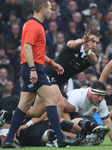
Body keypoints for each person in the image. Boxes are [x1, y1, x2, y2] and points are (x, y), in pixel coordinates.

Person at [1, 0, 81, 148]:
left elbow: (36, 52)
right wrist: (33, 70)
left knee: (23, 106)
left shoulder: (33, 25)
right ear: (42, 10)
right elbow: (26, 48)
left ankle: (8, 140)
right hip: (34, 69)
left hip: (32, 67)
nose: (52, 11)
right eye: (50, 9)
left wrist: (52, 63)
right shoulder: (34, 26)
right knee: (52, 100)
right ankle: (60, 138)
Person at [66, 81, 112, 145]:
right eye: (98, 95)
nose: (100, 99)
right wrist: (69, 127)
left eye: (103, 96)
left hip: (85, 118)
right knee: (89, 124)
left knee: (94, 129)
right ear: (90, 93)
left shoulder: (102, 102)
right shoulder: (77, 96)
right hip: (67, 116)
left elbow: (107, 122)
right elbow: (64, 111)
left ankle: (85, 137)